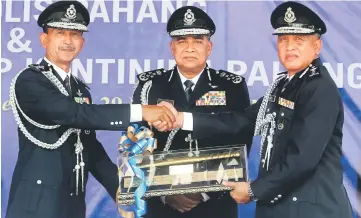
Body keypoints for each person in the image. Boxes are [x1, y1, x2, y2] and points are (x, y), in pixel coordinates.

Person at [156, 1, 354, 218]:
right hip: (281, 207)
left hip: (310, 210)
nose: (290, 47)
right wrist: (182, 119)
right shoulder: (284, 85)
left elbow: (302, 160)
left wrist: (253, 190)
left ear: (317, 47)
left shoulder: (319, 88)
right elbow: (243, 120)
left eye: (299, 40)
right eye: (283, 40)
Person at [5, 1, 175, 218]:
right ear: (44, 39)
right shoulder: (30, 81)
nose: (68, 41)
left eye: (75, 34)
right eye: (60, 33)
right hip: (36, 204)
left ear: (82, 42)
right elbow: (75, 114)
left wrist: (119, 190)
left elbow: (90, 148)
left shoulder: (79, 89)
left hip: (73, 203)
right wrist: (141, 111)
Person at [132, 6, 252, 218]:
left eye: (197, 40)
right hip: (162, 205)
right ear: (172, 47)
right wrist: (165, 192)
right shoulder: (150, 85)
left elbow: (242, 138)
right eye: (182, 41)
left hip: (216, 203)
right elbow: (136, 144)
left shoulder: (231, 85)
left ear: (209, 47)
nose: (189, 48)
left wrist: (205, 192)